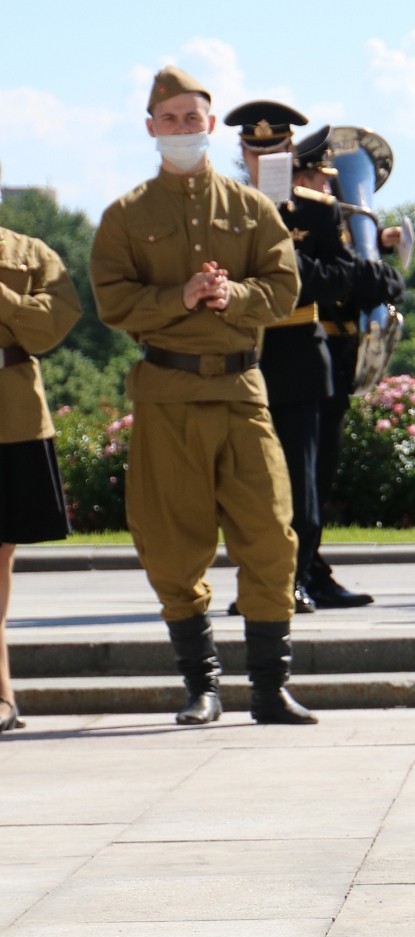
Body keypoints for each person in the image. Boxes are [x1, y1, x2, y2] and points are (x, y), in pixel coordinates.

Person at [89, 65, 317, 726]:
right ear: (151, 129)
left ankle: (271, 688)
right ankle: (203, 686)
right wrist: (179, 297)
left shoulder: (252, 210)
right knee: (170, 540)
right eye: (172, 120)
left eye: (194, 119)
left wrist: (232, 295)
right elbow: (113, 301)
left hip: (242, 388)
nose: (184, 130)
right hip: (168, 393)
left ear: (212, 126)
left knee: (272, 534)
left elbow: (283, 289)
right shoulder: (127, 215)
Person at [223, 103, 348, 615]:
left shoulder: (317, 211)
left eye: (276, 148)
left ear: (291, 151)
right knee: (245, 480)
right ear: (242, 154)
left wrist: (293, 266)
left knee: (300, 476)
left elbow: (344, 278)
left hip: (297, 349)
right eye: (256, 149)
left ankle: (294, 578)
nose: (265, 157)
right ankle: (254, 580)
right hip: (243, 353)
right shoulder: (220, 211)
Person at [292, 128, 406, 609]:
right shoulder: (299, 224)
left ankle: (313, 568)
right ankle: (299, 570)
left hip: (337, 356)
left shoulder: (341, 227)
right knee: (302, 475)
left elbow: (383, 288)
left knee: (322, 474)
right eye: (320, 176)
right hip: (300, 353)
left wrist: (378, 266)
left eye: (327, 178)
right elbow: (316, 282)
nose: (325, 187)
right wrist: (364, 271)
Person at [0, 224, 81, 733]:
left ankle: (1, 688)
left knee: (0, 551)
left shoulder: (29, 254)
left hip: (11, 417)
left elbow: (49, 328)